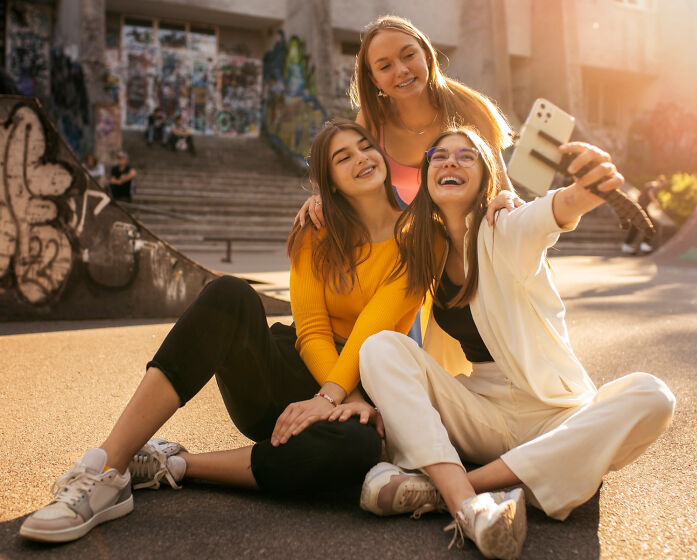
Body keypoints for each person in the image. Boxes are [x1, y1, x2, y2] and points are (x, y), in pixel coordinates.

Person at [19, 119, 423, 543]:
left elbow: (371, 331)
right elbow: (312, 330)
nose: (361, 158)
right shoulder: (316, 230)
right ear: (330, 182)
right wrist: (331, 395)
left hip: (361, 384)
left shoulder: (416, 238)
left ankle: (173, 464)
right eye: (343, 157)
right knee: (229, 293)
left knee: (356, 449)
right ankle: (108, 468)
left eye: (365, 147)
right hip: (295, 377)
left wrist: (342, 398)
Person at [344, 127, 675, 559]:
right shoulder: (424, 251)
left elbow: (561, 207)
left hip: (554, 417)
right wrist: (323, 203)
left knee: (652, 395)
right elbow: (371, 216)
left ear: (486, 176)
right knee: (380, 347)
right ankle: (484, 498)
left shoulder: (507, 226)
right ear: (426, 176)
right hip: (481, 410)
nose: (450, 162)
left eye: (466, 156)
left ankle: (447, 491)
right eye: (438, 156)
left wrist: (588, 187)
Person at [297, 14, 521, 227]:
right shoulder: (372, 119)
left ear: (425, 53)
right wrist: (323, 200)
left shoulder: (470, 108)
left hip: (473, 236)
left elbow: (502, 189)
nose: (402, 70)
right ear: (374, 79)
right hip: (415, 243)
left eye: (409, 55)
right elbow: (353, 181)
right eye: (385, 66)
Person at [621, 175, 665, 254]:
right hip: (642, 208)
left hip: (638, 208)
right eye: (663, 186)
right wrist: (656, 203)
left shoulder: (648, 184)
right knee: (650, 225)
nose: (661, 188)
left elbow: (640, 195)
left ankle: (627, 245)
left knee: (635, 227)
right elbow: (650, 193)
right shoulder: (654, 185)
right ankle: (645, 244)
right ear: (661, 183)